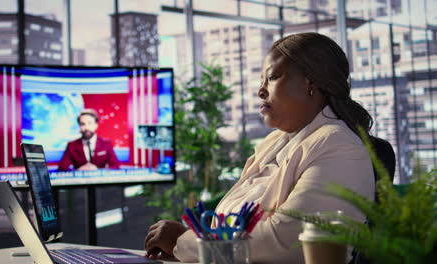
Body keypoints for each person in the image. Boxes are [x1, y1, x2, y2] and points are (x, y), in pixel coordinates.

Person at [144, 32, 375, 263]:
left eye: (273, 77)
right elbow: (226, 226)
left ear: (311, 82)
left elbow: (284, 243)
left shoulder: (341, 149)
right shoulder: (274, 142)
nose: (261, 91)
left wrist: (183, 242)